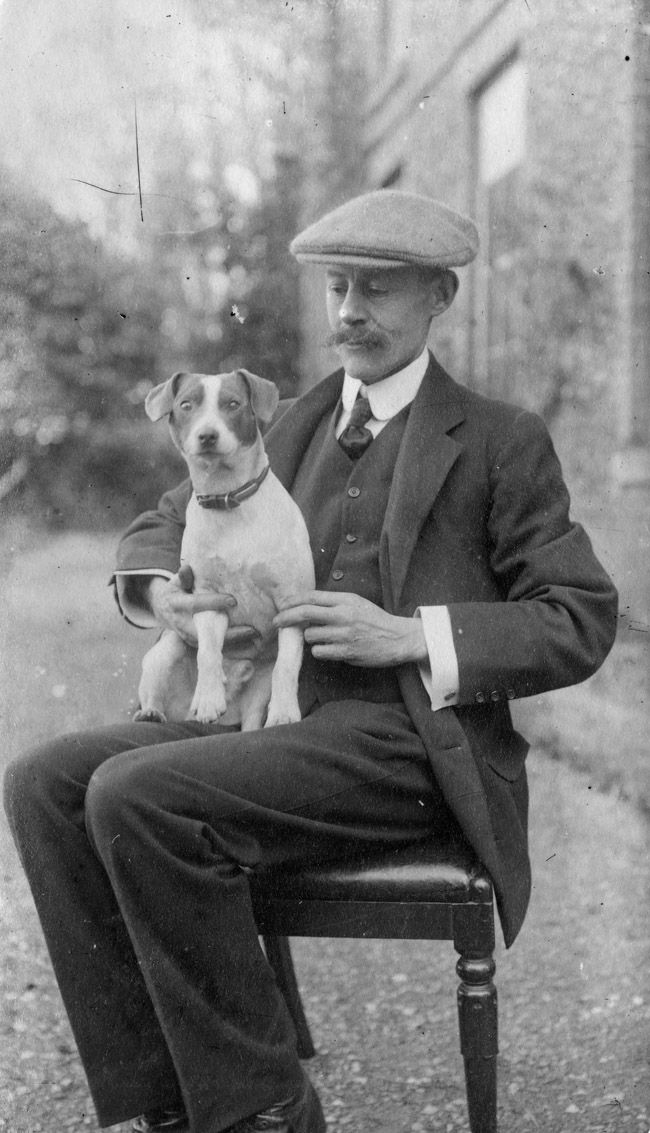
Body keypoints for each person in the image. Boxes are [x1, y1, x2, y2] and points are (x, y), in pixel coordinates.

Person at [4, 190, 618, 1133]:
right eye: (338, 287)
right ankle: (167, 1098)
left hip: (407, 743)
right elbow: (165, 519)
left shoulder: (499, 439)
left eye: (378, 288)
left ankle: (265, 1109)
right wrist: (160, 587)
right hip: (274, 712)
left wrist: (413, 634)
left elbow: (580, 614)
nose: (350, 312)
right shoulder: (286, 421)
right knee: (44, 781)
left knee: (137, 794)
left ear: (440, 296)